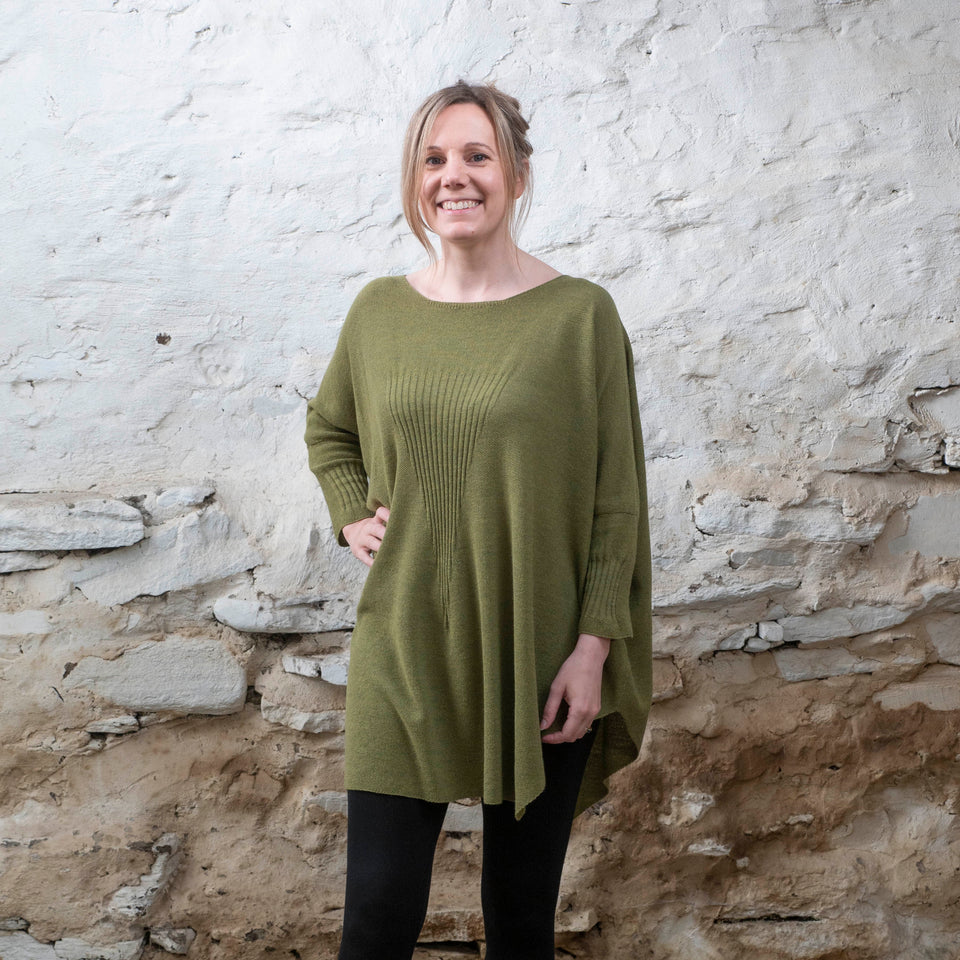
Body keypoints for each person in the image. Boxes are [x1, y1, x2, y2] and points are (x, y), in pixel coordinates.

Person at [304, 80, 652, 960]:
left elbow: (618, 497)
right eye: (433, 158)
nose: (452, 177)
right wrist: (352, 513)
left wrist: (593, 648)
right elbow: (329, 428)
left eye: (476, 155)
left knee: (520, 924)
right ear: (413, 178)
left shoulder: (579, 318)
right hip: (405, 644)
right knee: (376, 921)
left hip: (537, 650)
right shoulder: (380, 312)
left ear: (517, 174)